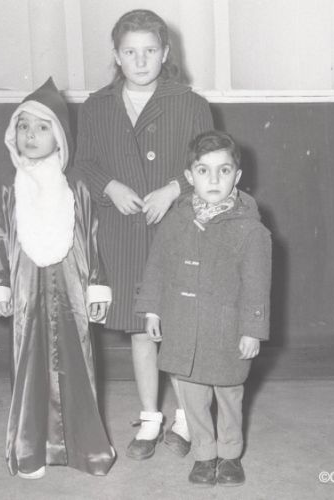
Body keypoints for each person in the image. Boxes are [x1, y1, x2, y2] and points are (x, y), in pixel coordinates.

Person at [74, 9, 214, 460]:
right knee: (140, 329)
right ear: (117, 55)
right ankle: (151, 418)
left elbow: (210, 162)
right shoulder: (96, 106)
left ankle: (187, 418)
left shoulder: (190, 103)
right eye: (130, 51)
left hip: (177, 230)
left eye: (149, 50)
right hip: (123, 234)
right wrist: (110, 187)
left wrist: (174, 188)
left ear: (165, 53)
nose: (140, 60)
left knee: (179, 327)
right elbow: (83, 162)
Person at [0, 78, 116, 478]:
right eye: (23, 126)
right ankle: (30, 450)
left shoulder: (76, 187)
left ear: (59, 137)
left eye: (42, 127)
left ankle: (86, 448)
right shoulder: (10, 188)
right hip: (27, 292)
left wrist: (96, 287)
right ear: (13, 135)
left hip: (70, 289)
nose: (31, 135)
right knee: (29, 365)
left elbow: (90, 237)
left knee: (78, 364)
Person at [135, 130, 272, 487]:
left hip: (227, 330)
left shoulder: (250, 229)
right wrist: (152, 310)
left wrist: (253, 330)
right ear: (189, 176)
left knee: (229, 395)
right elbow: (157, 267)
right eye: (203, 170)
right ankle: (204, 455)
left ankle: (230, 455)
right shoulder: (175, 220)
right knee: (192, 396)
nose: (213, 180)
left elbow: (257, 286)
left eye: (223, 171)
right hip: (184, 328)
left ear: (236, 177)